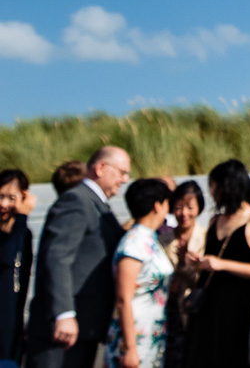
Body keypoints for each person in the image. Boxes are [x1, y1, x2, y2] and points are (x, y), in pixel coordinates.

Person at [26, 145, 130, 368]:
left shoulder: (99, 205)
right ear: (101, 167)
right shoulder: (76, 201)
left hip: (84, 327)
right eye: (122, 172)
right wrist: (63, 314)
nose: (125, 179)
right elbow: (57, 257)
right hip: (62, 331)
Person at [187, 159, 250, 368]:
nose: (211, 191)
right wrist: (198, 263)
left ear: (229, 186)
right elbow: (212, 263)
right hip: (210, 304)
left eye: (214, 185)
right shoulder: (215, 220)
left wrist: (222, 264)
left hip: (240, 308)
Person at [107, 179, 174, 368]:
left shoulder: (149, 238)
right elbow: (123, 298)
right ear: (157, 206)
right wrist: (130, 349)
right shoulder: (134, 244)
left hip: (150, 333)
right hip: (135, 337)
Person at [161, 180, 207, 368]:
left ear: (199, 208)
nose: (184, 213)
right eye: (179, 207)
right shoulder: (163, 240)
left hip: (196, 312)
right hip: (168, 311)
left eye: (190, 207)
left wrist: (186, 268)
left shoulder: (207, 237)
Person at [0, 169, 34, 367]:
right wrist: (21, 218)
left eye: (11, 198)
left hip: (12, 327)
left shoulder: (23, 233)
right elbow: (7, 257)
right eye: (0, 196)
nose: (4, 204)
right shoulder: (20, 228)